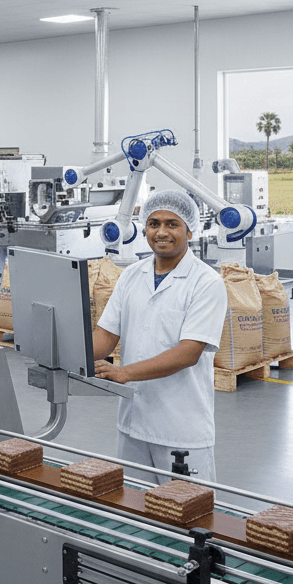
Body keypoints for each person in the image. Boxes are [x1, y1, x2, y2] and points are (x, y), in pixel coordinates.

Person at [90, 189, 228, 485]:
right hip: (133, 422)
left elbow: (188, 352)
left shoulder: (206, 283)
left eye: (171, 224)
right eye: (154, 223)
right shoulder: (131, 276)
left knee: (187, 519)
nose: (161, 232)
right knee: (135, 516)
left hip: (181, 427)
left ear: (189, 230)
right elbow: (105, 336)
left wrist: (124, 372)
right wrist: (64, 351)